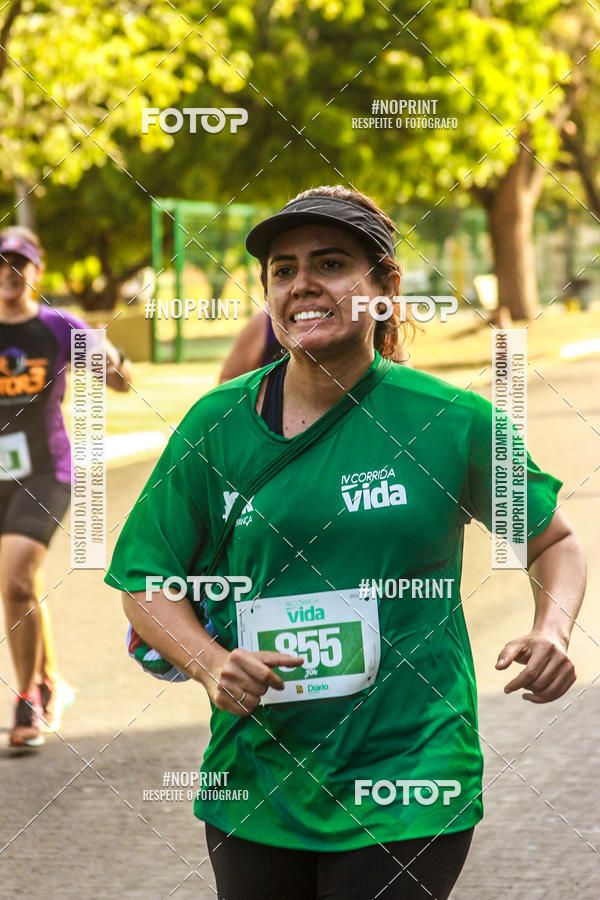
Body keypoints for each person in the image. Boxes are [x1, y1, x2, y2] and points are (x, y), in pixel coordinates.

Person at [105, 186, 585, 899]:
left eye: (330, 263)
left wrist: (554, 630)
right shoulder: (216, 425)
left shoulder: (451, 422)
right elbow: (144, 581)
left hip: (414, 767)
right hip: (257, 776)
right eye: (282, 269)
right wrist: (209, 664)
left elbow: (555, 541)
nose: (302, 284)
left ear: (385, 288)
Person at [0, 226, 132, 750]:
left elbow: (119, 381)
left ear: (36, 271)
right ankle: (51, 678)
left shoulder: (58, 327)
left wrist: (113, 367)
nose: (9, 274)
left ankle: (29, 697)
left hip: (45, 471)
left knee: (13, 580)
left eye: (19, 263)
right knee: (23, 587)